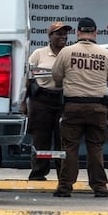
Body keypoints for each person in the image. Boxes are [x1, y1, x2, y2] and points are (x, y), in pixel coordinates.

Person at [50, 17, 108, 198]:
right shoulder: (105, 54)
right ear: (95, 33)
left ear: (78, 33)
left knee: (70, 147)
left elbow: (56, 75)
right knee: (95, 148)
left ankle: (65, 187)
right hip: (97, 108)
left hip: (73, 107)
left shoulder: (66, 52)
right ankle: (100, 187)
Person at [21, 21, 70, 180]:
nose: (63, 36)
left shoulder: (69, 53)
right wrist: (23, 102)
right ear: (50, 36)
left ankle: (63, 174)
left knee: (62, 138)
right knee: (41, 138)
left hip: (62, 99)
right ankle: (38, 172)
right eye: (59, 33)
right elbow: (27, 78)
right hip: (41, 100)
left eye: (65, 34)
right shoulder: (39, 54)